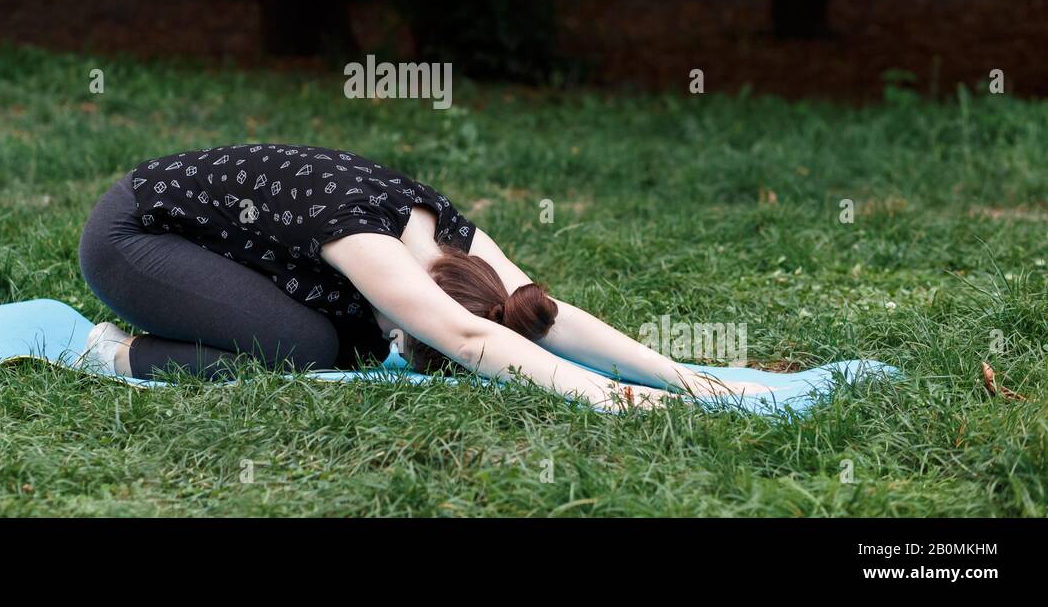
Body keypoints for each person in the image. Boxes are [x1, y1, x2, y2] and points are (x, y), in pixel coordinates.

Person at [77, 143, 774, 411]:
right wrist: (607, 398)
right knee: (303, 348)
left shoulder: (449, 238)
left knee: (345, 343)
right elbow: (468, 335)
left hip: (227, 241)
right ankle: (117, 353)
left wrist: (682, 378)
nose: (399, 332)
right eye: (407, 326)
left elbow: (539, 313)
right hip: (135, 236)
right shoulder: (359, 230)